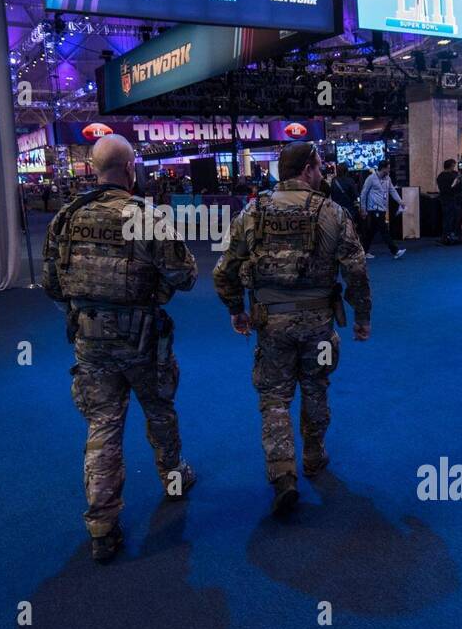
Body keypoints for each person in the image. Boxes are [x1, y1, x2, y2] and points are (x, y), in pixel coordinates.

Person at [41, 134, 199, 562]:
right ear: (131, 169)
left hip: (90, 342)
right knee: (159, 409)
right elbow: (185, 276)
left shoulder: (66, 219)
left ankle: (103, 525)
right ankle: (173, 478)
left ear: (93, 169)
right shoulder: (144, 216)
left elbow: (51, 284)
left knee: (104, 426)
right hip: (143, 339)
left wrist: (86, 312)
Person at [212, 142, 372, 515]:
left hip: (272, 325)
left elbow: (225, 270)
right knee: (316, 386)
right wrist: (362, 316)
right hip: (318, 324)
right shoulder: (332, 212)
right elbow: (357, 271)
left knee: (274, 397)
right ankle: (314, 456)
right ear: (307, 169)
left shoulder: (253, 212)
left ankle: (282, 474)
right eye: (319, 167)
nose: (322, 174)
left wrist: (236, 309)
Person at [358, 159, 406, 259]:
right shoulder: (371, 178)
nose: (389, 170)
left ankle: (363, 252)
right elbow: (363, 194)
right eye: (388, 168)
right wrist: (363, 208)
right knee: (384, 230)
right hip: (374, 209)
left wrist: (400, 202)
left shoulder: (388, 179)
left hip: (383, 208)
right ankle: (395, 251)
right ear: (383, 168)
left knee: (371, 231)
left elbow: (392, 191)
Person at [436, 159, 462, 244]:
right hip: (452, 199)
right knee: (453, 218)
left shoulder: (440, 176)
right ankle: (451, 236)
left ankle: (445, 236)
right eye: (454, 165)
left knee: (446, 219)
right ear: (451, 165)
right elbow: (456, 188)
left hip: (444, 199)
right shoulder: (453, 176)